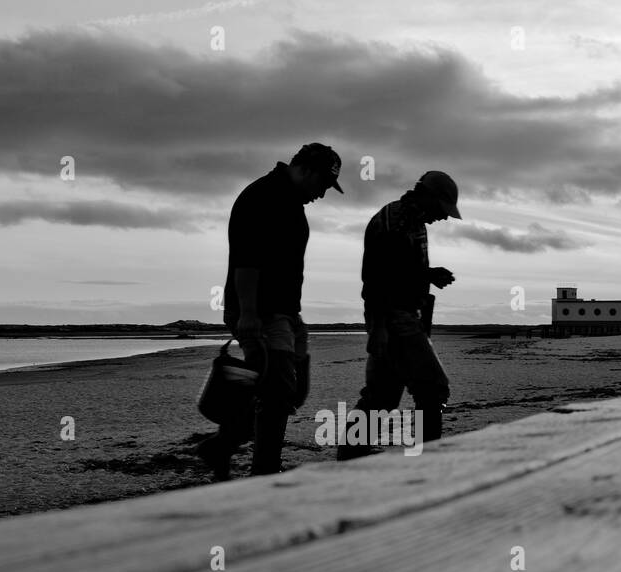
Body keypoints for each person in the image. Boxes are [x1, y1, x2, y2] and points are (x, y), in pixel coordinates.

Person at [196, 143, 342, 479]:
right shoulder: (263, 196)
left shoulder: (291, 200)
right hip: (261, 313)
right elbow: (247, 261)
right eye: (322, 184)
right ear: (305, 169)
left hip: (286, 313)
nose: (322, 193)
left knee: (289, 390)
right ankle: (264, 470)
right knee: (277, 393)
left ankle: (221, 446)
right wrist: (247, 313)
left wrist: (293, 315)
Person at [336, 171, 460, 461]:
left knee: (380, 399)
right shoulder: (396, 221)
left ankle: (348, 460)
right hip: (395, 318)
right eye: (442, 210)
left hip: (399, 318)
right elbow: (377, 280)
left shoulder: (410, 219)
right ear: (428, 196)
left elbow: (399, 271)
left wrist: (428, 275)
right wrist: (379, 329)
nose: (442, 218)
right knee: (433, 390)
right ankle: (425, 462)